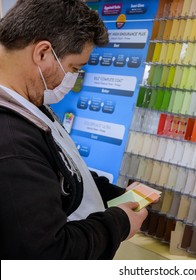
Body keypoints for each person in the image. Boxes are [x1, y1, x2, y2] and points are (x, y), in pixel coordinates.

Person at [0, 0, 148, 259]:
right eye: (74, 68)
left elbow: (59, 169)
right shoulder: (10, 139)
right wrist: (118, 223)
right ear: (43, 53)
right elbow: (48, 254)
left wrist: (118, 196)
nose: (73, 78)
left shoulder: (29, 103)